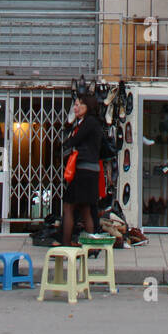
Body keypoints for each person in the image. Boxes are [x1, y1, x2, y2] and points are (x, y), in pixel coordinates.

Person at [60, 93, 103, 246]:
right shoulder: (89, 122)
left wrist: (69, 139)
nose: (75, 108)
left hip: (84, 171)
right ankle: (90, 246)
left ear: (88, 107)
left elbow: (74, 141)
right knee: (85, 208)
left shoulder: (89, 122)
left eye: (79, 105)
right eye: (75, 105)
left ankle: (65, 244)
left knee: (69, 206)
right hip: (89, 171)